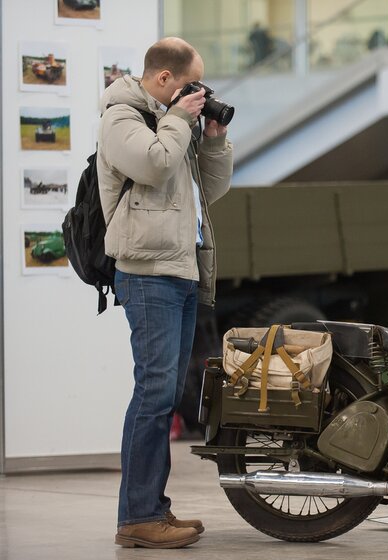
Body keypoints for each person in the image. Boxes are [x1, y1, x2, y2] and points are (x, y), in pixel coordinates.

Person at [98, 37, 233, 549]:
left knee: (166, 396)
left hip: (179, 270)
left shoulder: (173, 125)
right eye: (192, 85)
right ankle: (136, 517)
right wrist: (178, 120)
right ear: (164, 81)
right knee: (153, 396)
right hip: (146, 271)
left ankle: (154, 508)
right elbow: (153, 165)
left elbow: (209, 192)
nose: (200, 94)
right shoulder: (122, 119)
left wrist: (214, 139)